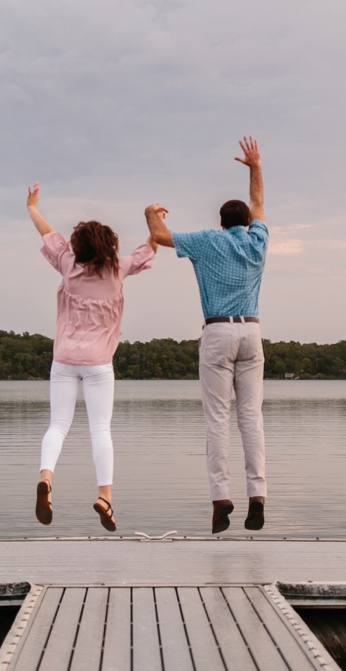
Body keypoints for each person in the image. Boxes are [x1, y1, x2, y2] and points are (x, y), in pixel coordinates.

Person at [145, 136, 268, 534]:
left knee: (217, 418)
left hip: (217, 332)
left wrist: (150, 212)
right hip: (251, 331)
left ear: (221, 222)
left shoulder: (207, 240)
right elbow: (259, 204)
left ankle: (221, 499)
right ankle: (257, 496)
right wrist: (255, 167)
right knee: (251, 417)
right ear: (246, 223)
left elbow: (160, 237)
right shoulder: (258, 241)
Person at [27, 182, 156, 532]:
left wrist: (33, 207)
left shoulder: (67, 264)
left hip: (64, 359)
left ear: (78, 246)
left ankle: (46, 478)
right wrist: (155, 224)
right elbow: (147, 251)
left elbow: (48, 233)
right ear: (109, 246)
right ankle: (104, 498)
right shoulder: (118, 269)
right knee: (100, 429)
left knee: (58, 425)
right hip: (99, 363)